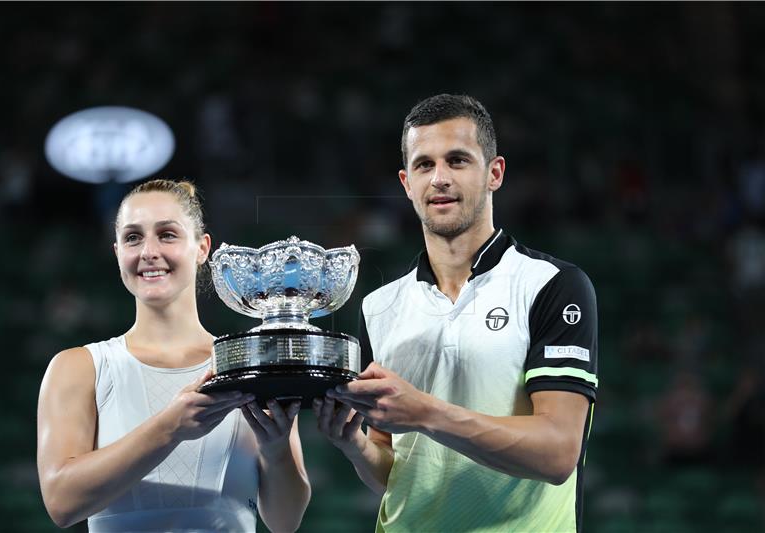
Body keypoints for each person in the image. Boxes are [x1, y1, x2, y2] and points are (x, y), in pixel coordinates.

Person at [314, 94, 598, 532]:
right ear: (407, 183)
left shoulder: (552, 285)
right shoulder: (379, 307)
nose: (439, 178)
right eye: (425, 165)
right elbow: (395, 472)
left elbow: (559, 453)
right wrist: (354, 445)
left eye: (458, 161)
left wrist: (426, 412)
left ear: (494, 173)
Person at [37, 179, 311, 532]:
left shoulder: (251, 364)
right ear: (117, 251)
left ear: (202, 248)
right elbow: (61, 502)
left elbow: (285, 522)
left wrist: (276, 451)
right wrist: (170, 427)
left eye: (167, 235)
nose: (149, 251)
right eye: (133, 237)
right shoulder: (78, 368)